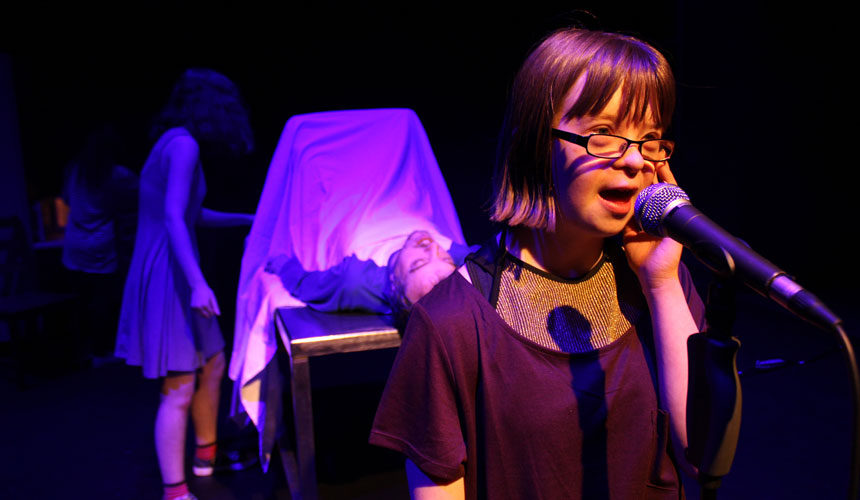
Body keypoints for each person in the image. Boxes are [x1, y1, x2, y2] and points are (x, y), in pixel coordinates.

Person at [369, 27, 707, 499]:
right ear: (534, 144)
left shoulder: (657, 281)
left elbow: (700, 455)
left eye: (649, 139)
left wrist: (663, 284)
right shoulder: (452, 322)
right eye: (604, 135)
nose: (635, 161)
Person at [115, 68, 256, 500]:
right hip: (169, 273)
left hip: (177, 266)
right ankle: (174, 492)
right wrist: (197, 283)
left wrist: (249, 219)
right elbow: (174, 219)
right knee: (177, 384)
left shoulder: (177, 143)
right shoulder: (183, 144)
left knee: (213, 361)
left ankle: (205, 458)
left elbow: (191, 214)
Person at [264, 229, 477, 324]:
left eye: (417, 264)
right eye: (447, 260)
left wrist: (284, 266)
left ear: (394, 283)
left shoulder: (356, 280)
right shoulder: (462, 260)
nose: (432, 247)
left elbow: (307, 284)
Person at [61, 122, 138, 366]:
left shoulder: (74, 170)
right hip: (100, 243)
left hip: (74, 242)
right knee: (101, 299)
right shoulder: (116, 174)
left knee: (82, 299)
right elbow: (141, 194)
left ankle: (84, 351)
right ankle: (100, 351)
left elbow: (65, 198)